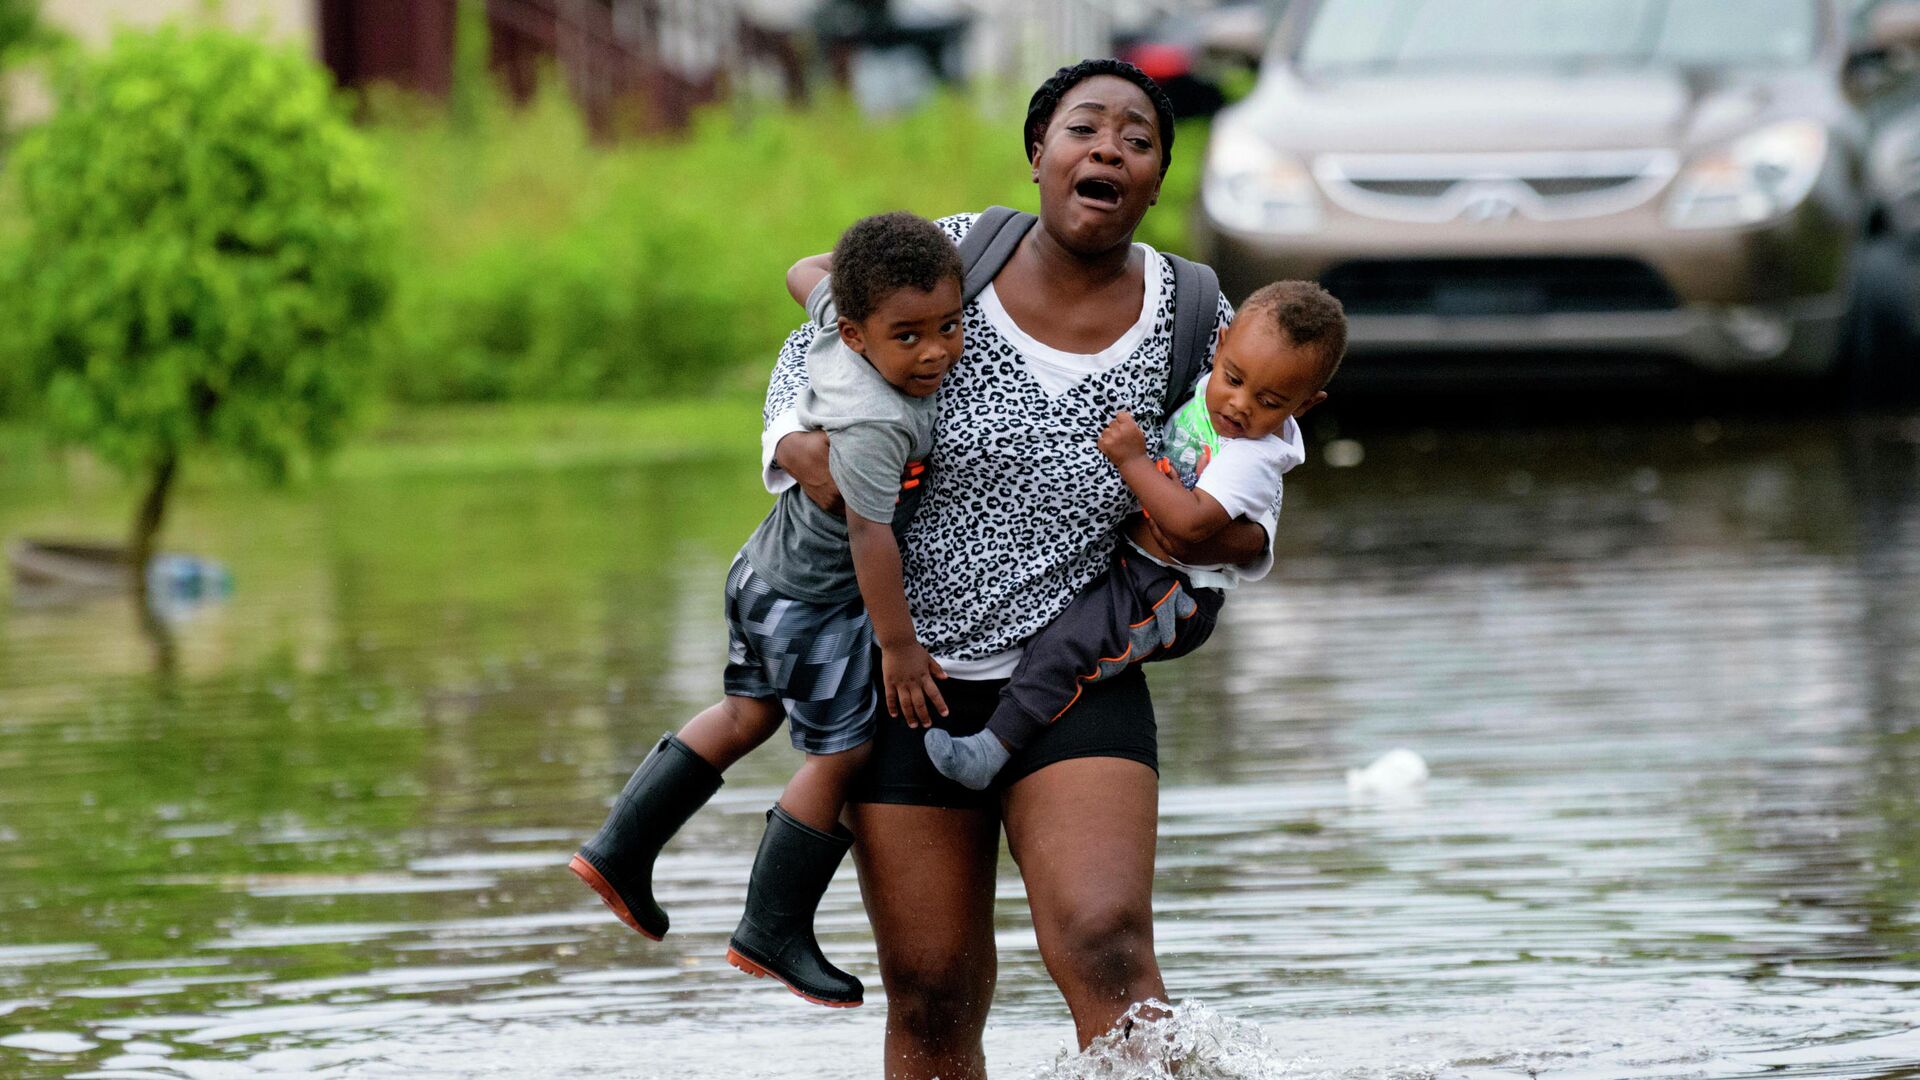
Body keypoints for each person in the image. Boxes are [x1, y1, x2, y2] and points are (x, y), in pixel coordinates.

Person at [763, 60, 1274, 1078]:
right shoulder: (952, 256)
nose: (1109, 147)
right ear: (1039, 153)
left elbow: (1244, 485)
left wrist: (1227, 538)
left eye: (1137, 139)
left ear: (1156, 179)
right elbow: (815, 347)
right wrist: (797, 446)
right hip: (909, 675)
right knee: (931, 988)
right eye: (1085, 127)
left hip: (1076, 671)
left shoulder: (1196, 319)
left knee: (1107, 943)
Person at [567, 211, 964, 1009]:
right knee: (841, 754)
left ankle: (619, 848)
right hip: (815, 603)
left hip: (759, 575)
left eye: (949, 327)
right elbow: (868, 533)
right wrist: (898, 647)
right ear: (856, 337)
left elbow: (800, 269)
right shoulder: (878, 420)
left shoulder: (835, 318)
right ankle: (772, 928)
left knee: (747, 713)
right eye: (908, 336)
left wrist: (854, 274)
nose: (934, 353)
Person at [925, 281, 1346, 789]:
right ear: (1220, 343)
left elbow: (1189, 525)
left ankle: (991, 750)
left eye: (1270, 401)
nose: (1239, 405)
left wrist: (1131, 461)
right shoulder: (1207, 392)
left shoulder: (1253, 457)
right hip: (1137, 567)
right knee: (1058, 630)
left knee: (1070, 646)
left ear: (1303, 406)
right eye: (1233, 378)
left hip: (1168, 593)